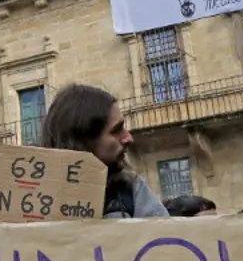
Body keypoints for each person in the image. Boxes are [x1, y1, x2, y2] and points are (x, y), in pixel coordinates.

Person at [41, 84, 169, 218]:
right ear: (83, 141)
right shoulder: (36, 200)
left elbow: (164, 237)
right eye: (116, 130)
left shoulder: (131, 190)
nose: (128, 138)